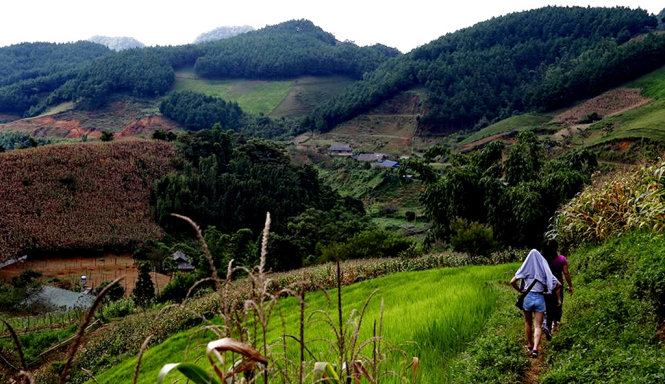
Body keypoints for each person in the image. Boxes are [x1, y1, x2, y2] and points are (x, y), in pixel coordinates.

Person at [510, 249, 561, 358]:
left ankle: (529, 344)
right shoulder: (544, 271)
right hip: (540, 298)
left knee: (528, 323)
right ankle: (535, 349)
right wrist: (547, 291)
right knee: (538, 325)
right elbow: (558, 284)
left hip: (528, 298)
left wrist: (520, 290)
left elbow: (512, 282)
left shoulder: (525, 270)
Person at [542, 239, 573, 337]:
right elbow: (566, 273)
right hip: (558, 286)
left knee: (548, 306)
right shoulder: (561, 259)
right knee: (558, 304)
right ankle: (555, 323)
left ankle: (549, 324)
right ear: (556, 248)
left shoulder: (543, 260)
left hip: (546, 287)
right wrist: (570, 285)